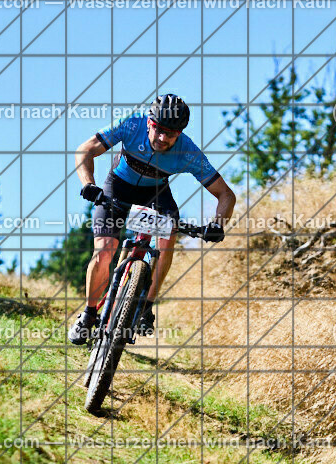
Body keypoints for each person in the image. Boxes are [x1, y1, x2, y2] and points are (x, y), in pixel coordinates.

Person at [68, 94, 236, 345]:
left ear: (180, 133)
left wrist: (217, 224)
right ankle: (89, 314)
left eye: (171, 134)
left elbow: (226, 195)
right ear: (149, 122)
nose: (163, 138)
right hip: (118, 187)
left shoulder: (188, 151)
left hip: (155, 194)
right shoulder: (131, 124)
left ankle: (145, 307)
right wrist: (88, 184)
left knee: (167, 241)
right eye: (159, 129)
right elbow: (85, 150)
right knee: (104, 251)